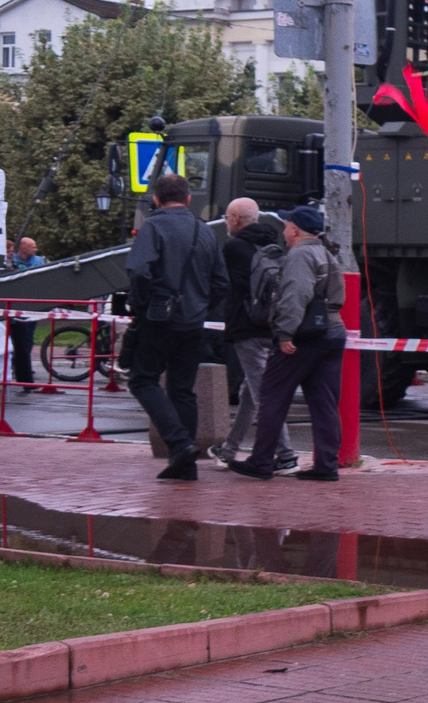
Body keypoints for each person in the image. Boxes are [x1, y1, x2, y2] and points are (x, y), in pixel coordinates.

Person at [229, 206, 348, 482]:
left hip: (305, 336)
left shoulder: (300, 255)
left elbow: (295, 295)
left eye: (286, 226)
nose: (283, 231)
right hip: (332, 332)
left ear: (295, 229)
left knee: (272, 396)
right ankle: (326, 465)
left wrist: (285, 334)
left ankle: (261, 462)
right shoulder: (326, 253)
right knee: (325, 403)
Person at [122, 170, 227, 482]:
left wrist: (142, 305)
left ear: (156, 199)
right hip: (194, 323)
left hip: (158, 319)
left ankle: (180, 445)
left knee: (143, 380)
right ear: (188, 199)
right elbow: (222, 282)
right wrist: (200, 305)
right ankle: (186, 465)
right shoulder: (204, 230)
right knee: (183, 390)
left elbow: (139, 272)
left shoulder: (153, 226)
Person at [214, 198, 292, 472]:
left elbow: (227, 285)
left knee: (263, 394)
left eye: (226, 218)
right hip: (271, 326)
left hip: (246, 328)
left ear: (235, 218)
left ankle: (286, 455)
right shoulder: (273, 245)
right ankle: (229, 449)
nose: (225, 223)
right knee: (251, 391)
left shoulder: (234, 247)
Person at [3, 235, 44, 387]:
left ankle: (26, 380)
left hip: (25, 310)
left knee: (25, 342)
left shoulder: (38, 262)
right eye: (8, 250)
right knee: (17, 344)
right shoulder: (12, 263)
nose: (10, 253)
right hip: (13, 310)